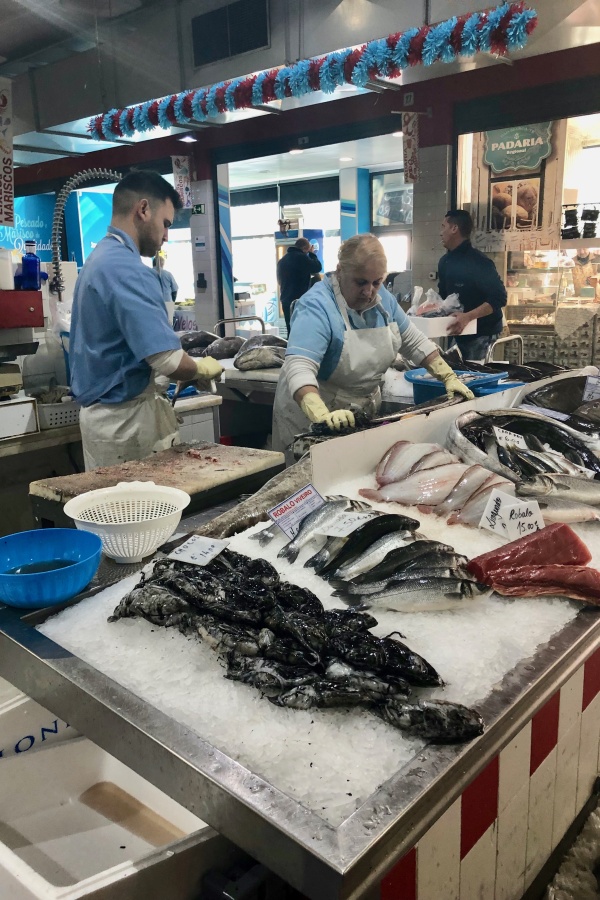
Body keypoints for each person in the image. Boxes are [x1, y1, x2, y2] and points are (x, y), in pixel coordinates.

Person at [70, 170, 223, 471]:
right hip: (125, 424)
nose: (167, 235)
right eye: (166, 223)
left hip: (107, 418)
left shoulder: (100, 258)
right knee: (139, 513)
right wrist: (200, 368)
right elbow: (168, 360)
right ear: (143, 210)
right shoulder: (126, 268)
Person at [272, 233, 474, 460]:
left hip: (358, 410)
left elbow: (413, 341)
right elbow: (298, 368)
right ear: (340, 271)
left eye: (377, 282)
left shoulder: (383, 300)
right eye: (360, 282)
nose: (369, 292)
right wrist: (320, 414)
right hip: (311, 413)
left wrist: (448, 376)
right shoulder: (317, 306)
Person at [439, 209, 507, 361]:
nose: (440, 232)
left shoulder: (479, 262)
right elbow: (444, 297)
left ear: (454, 228)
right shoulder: (444, 262)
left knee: (473, 379)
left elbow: (499, 298)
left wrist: (468, 317)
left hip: (482, 333)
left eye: (443, 226)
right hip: (458, 330)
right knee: (454, 375)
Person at [277, 237, 322, 335]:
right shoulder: (300, 257)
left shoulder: (282, 260)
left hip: (285, 300)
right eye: (308, 249)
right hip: (298, 301)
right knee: (301, 331)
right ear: (305, 248)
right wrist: (312, 254)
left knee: (291, 330)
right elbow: (317, 267)